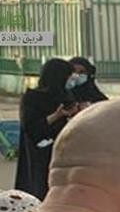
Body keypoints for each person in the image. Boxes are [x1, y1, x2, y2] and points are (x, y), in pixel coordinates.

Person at [14, 58, 78, 199]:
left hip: (62, 150)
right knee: (40, 189)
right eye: (67, 77)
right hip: (40, 152)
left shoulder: (65, 94)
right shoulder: (32, 97)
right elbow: (31, 127)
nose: (70, 81)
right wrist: (56, 115)